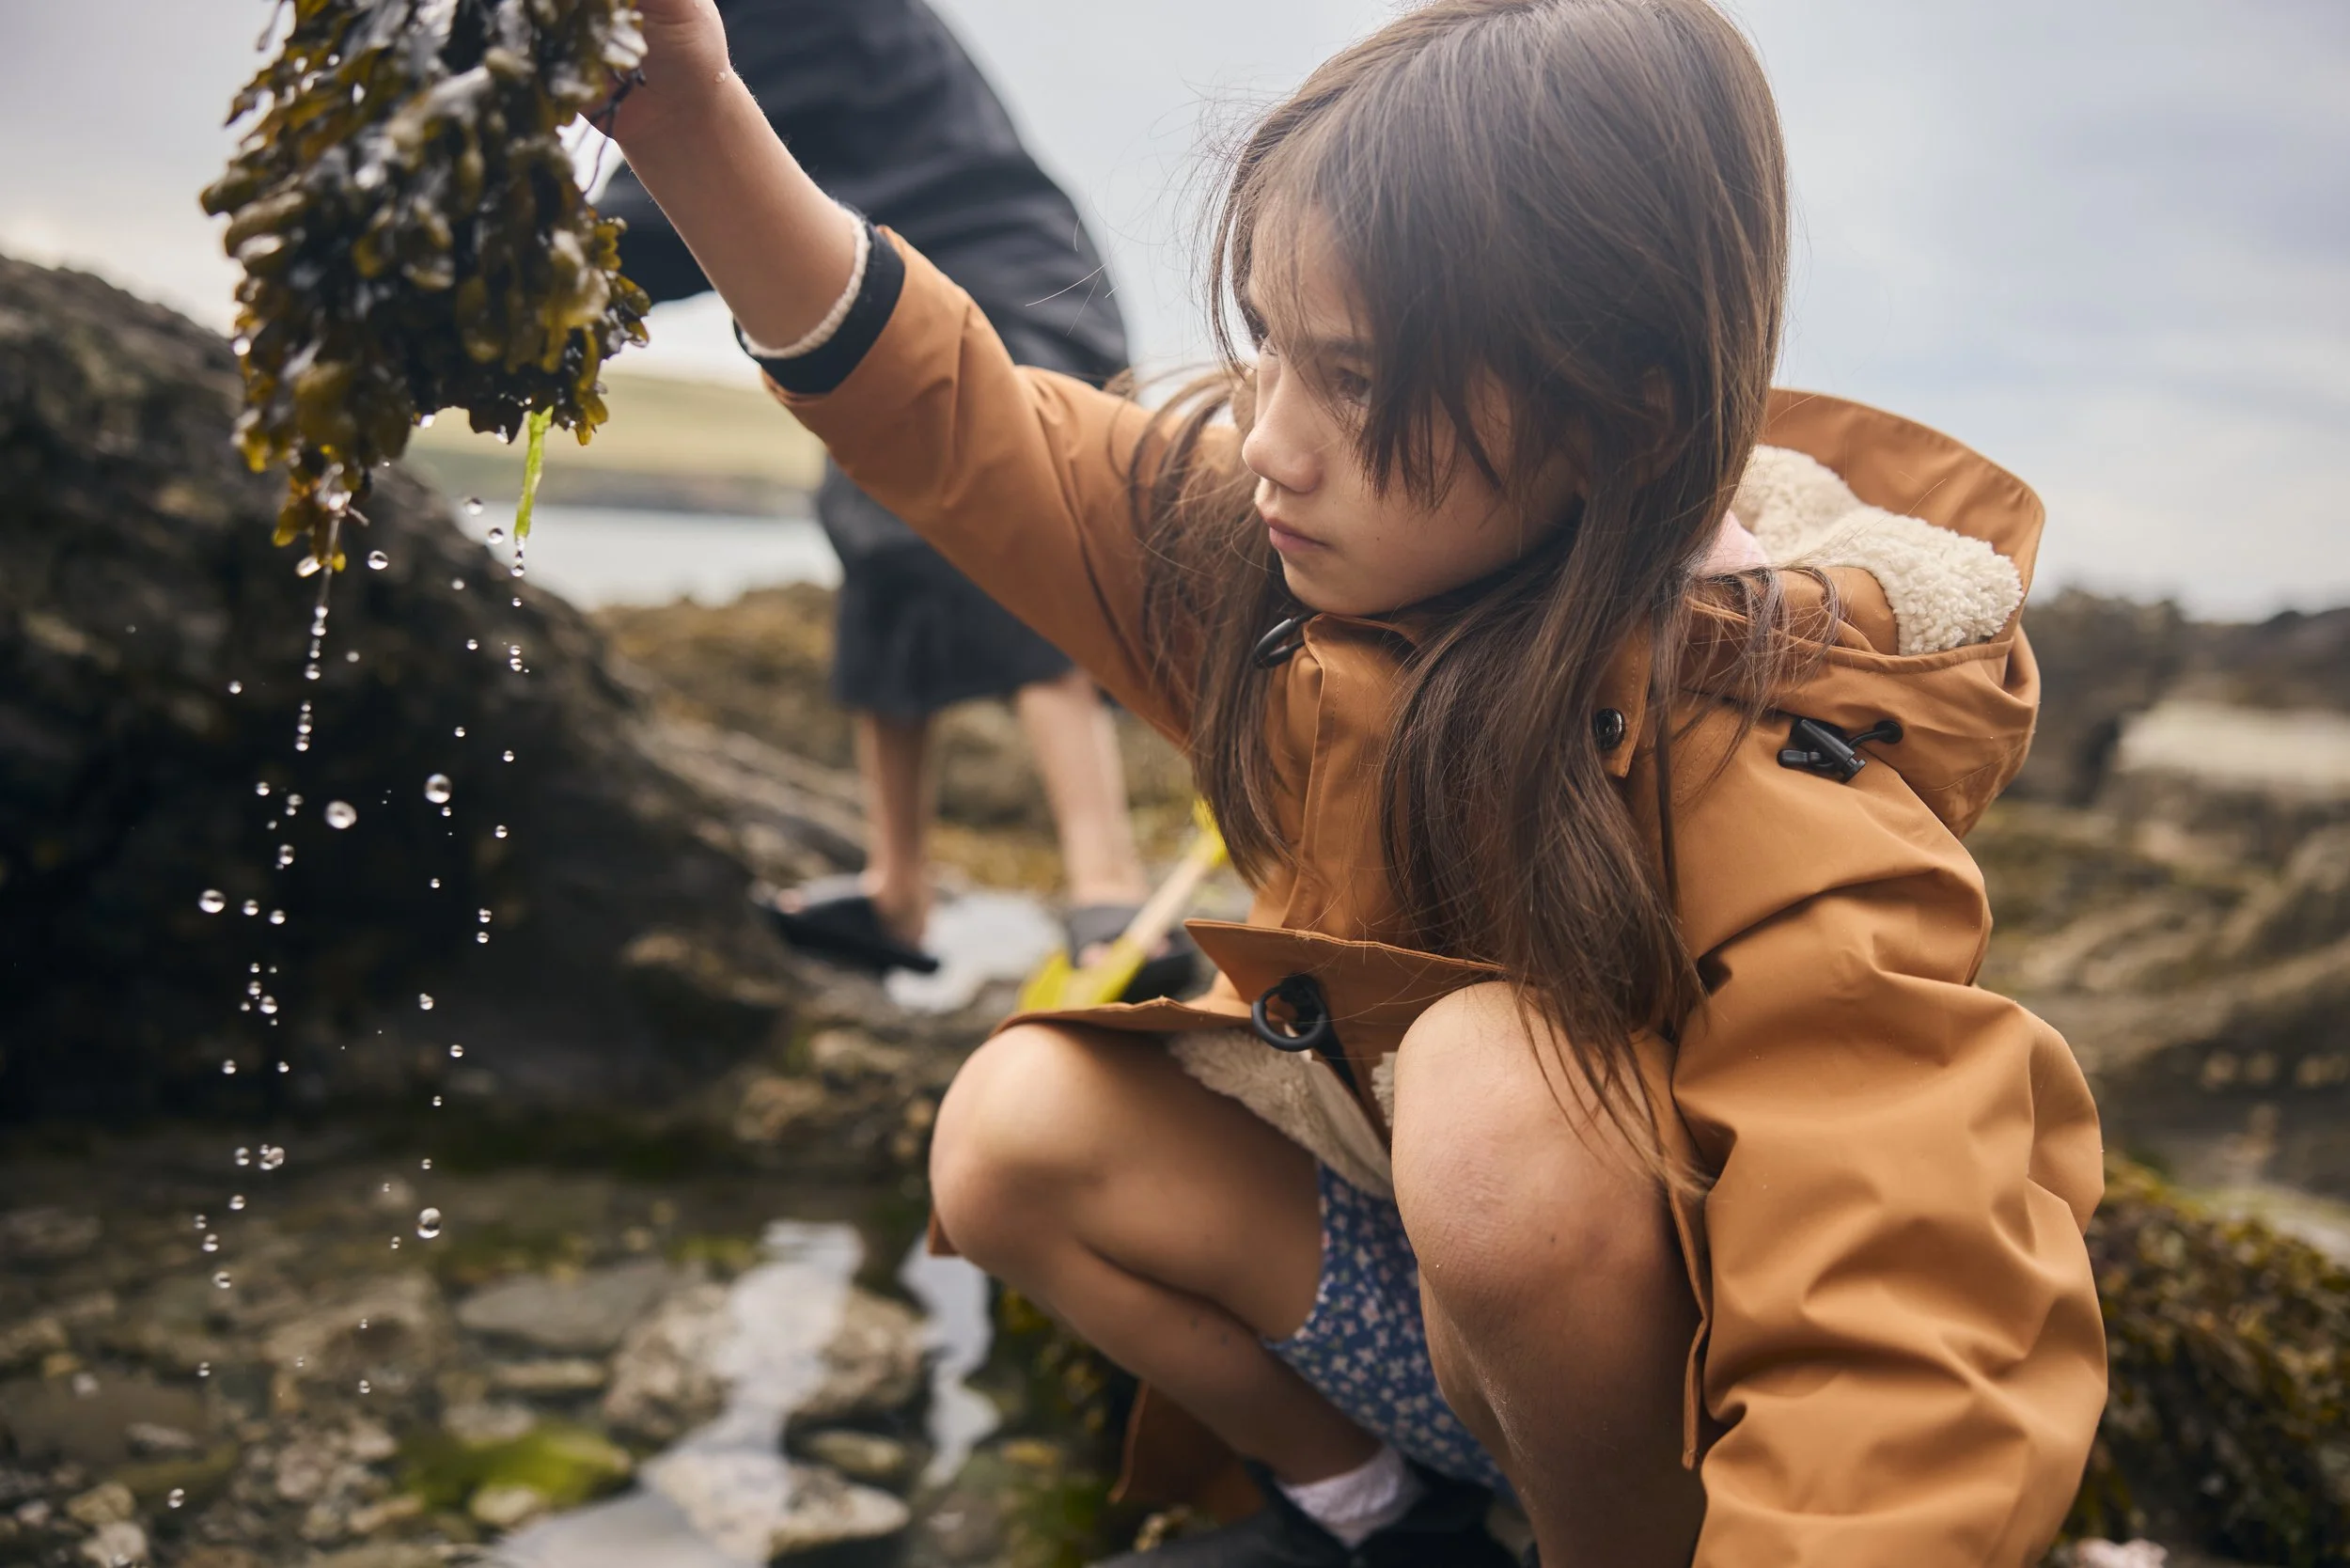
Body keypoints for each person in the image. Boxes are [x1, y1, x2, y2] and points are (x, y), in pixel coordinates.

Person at [604, 2, 2107, 1564]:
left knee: (1489, 1086)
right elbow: (963, 420)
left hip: (1673, 1418)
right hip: (1446, 1322)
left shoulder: (1773, 745)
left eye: (1357, 379)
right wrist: (699, 120)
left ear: (1624, 413)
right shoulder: (1274, 564)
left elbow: (1899, 1282)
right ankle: (1384, 1520)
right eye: (1268, 347)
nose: (1273, 439)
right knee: (1012, 1120)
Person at [601, 0, 1192, 989]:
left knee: (1022, 533)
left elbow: (684, 178)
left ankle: (1109, 887)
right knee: (873, 542)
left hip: (1008, 276)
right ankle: (897, 892)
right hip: (880, 286)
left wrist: (541, 259)